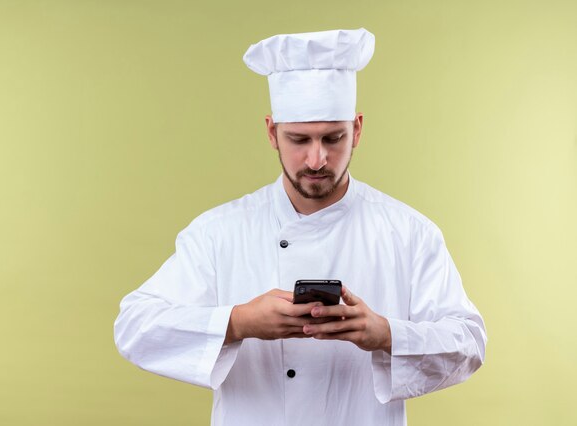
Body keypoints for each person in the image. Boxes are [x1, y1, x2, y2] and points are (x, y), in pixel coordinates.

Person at [114, 28, 487, 426]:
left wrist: (387, 334)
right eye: (298, 139)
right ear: (272, 132)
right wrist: (237, 322)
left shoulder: (409, 232)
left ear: (357, 129)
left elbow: (470, 342)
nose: (315, 160)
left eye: (333, 138)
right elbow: (134, 327)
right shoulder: (218, 232)